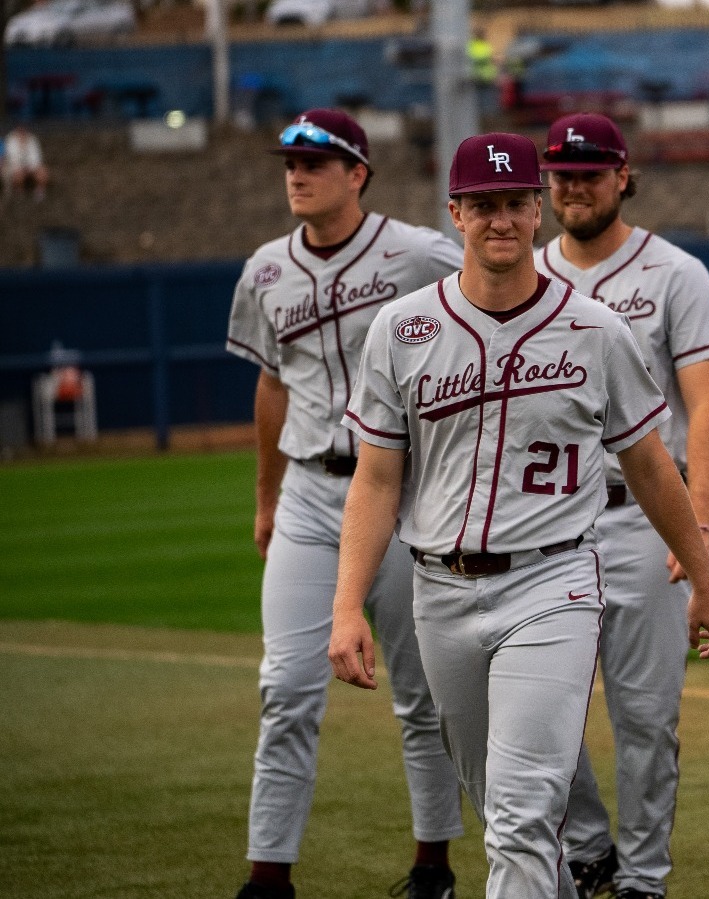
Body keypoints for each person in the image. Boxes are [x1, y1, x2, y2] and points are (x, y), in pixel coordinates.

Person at [328, 131, 709, 899]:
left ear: (536, 210)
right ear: (455, 213)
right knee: (499, 810)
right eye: (483, 205)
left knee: (518, 814)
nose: (500, 220)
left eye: (515, 203)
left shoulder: (596, 329)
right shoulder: (401, 328)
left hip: (553, 583)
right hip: (439, 589)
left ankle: (633, 871)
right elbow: (376, 479)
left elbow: (649, 462)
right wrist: (347, 604)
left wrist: (702, 577)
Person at [224, 108, 466, 899]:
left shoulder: (420, 252)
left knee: (420, 691)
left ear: (357, 172)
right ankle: (269, 874)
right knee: (286, 687)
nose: (296, 173)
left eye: (315, 161)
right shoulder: (264, 269)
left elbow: (498, 307)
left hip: (398, 492)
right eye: (289, 160)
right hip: (305, 491)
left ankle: (433, 861)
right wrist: (265, 497)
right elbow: (271, 385)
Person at [531, 113, 709, 899]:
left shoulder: (674, 273)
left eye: (589, 173)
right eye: (560, 175)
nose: (572, 186)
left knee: (646, 718)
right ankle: (589, 847)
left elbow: (708, 406)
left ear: (623, 176)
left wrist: (701, 525)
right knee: (541, 712)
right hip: (548, 524)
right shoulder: (526, 275)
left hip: (645, 516)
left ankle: (644, 874)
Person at [4, 125, 48, 201]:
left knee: (43, 172)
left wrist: (30, 167)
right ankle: (19, 191)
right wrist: (20, 167)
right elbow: (11, 158)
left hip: (31, 166)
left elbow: (37, 157)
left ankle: (40, 191)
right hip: (16, 167)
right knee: (18, 175)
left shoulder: (33, 139)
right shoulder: (10, 140)